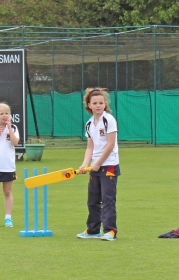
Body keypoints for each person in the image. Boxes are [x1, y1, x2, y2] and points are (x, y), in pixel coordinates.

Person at [76, 87, 120, 241]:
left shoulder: (109, 120)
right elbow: (90, 147)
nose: (98, 105)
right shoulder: (89, 124)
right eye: (95, 103)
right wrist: (84, 164)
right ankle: (93, 230)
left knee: (108, 199)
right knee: (93, 200)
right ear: (88, 105)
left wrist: (98, 163)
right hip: (95, 167)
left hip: (109, 166)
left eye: (101, 102)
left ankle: (110, 231)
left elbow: (110, 145)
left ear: (104, 104)